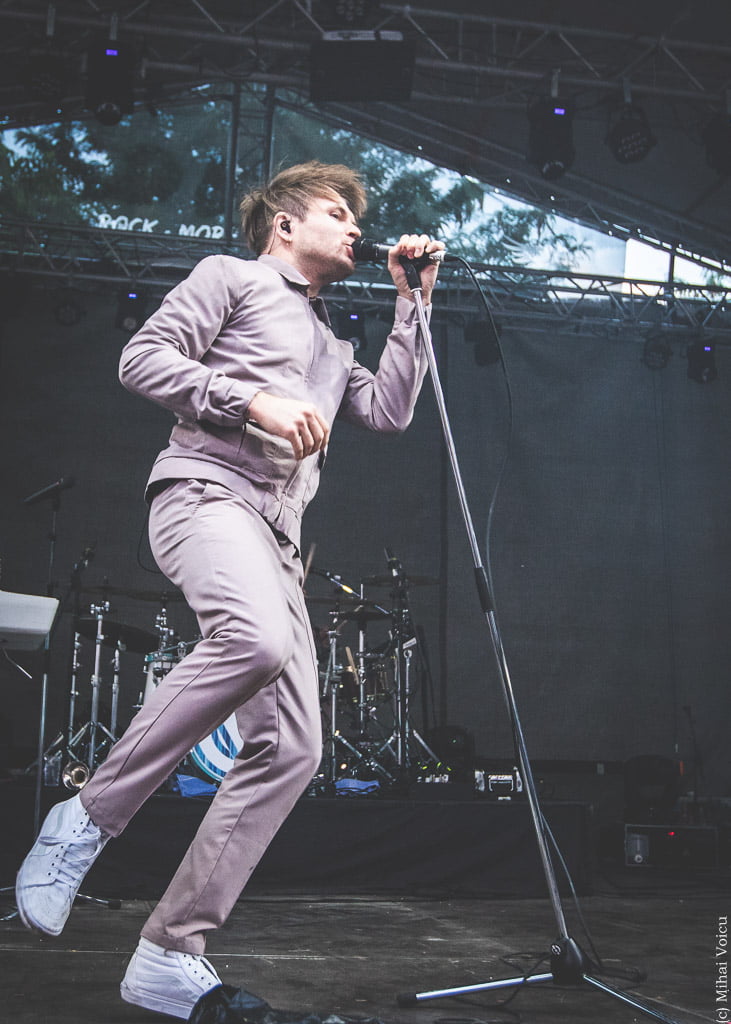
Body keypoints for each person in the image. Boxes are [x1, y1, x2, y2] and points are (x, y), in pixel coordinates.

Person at [15, 160, 443, 1020]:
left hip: (278, 540)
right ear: (284, 223)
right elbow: (143, 359)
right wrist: (249, 400)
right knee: (252, 639)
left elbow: (392, 411)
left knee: (293, 749)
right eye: (336, 212)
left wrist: (414, 303)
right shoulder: (231, 278)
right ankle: (86, 817)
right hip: (206, 495)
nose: (354, 227)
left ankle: (170, 950)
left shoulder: (334, 346)